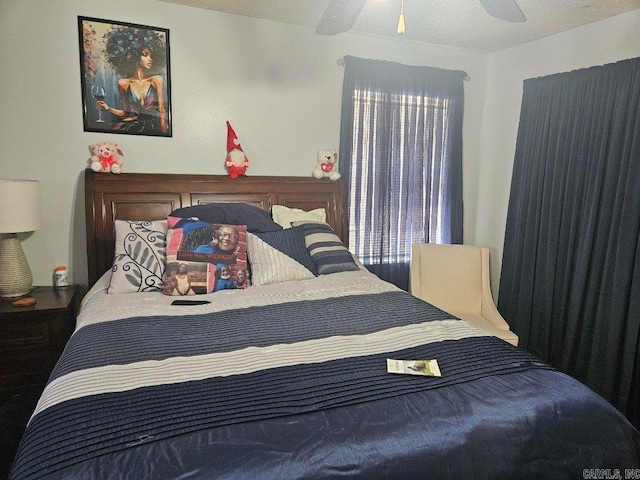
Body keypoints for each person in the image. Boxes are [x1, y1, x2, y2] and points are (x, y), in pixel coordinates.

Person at [96, 26, 169, 135]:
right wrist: (108, 108)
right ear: (133, 55)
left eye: (152, 55)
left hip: (152, 130)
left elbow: (162, 112)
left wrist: (165, 134)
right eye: (145, 55)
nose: (150, 59)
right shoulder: (123, 83)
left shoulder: (156, 80)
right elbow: (127, 114)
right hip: (131, 128)